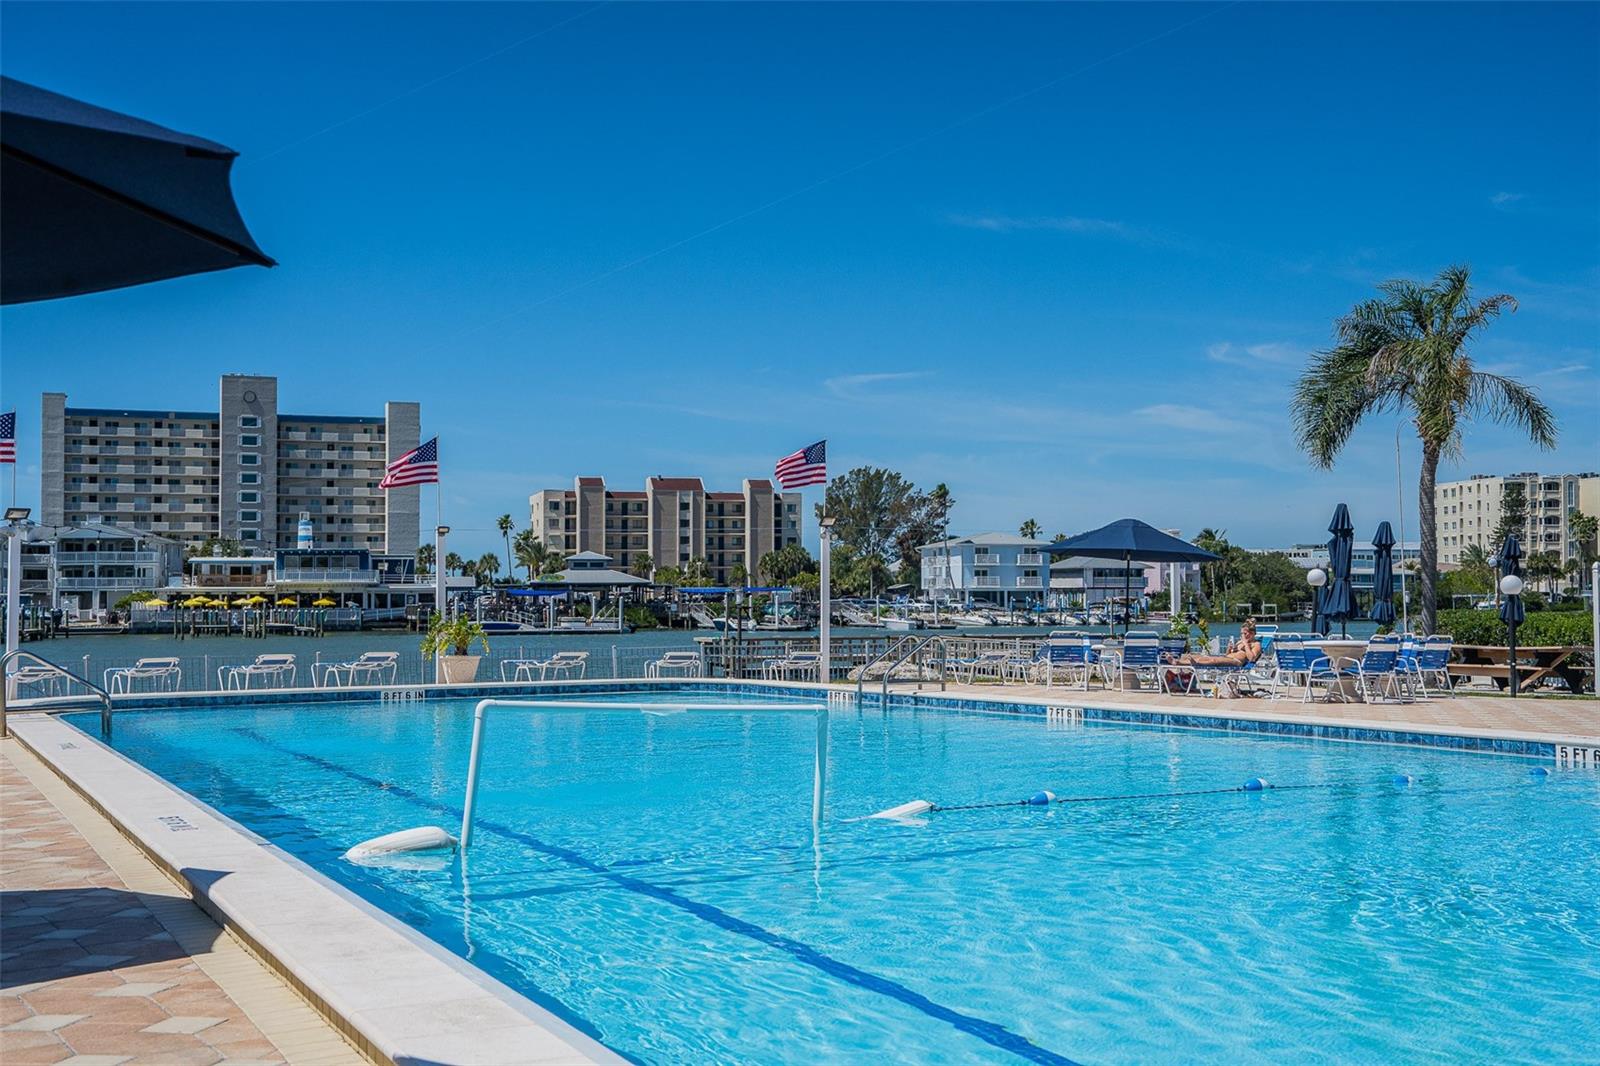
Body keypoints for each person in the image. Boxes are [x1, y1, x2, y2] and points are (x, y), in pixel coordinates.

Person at [1173, 619, 1263, 667]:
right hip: (1227, 658)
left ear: (1252, 633)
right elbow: (1228, 654)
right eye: (1242, 633)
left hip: (1236, 662)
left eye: (1245, 633)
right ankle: (1178, 661)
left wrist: (1246, 644)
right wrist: (1229, 648)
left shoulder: (1256, 644)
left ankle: (1188, 663)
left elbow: (1252, 659)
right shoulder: (1240, 642)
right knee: (1202, 657)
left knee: (1213, 660)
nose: (1243, 635)